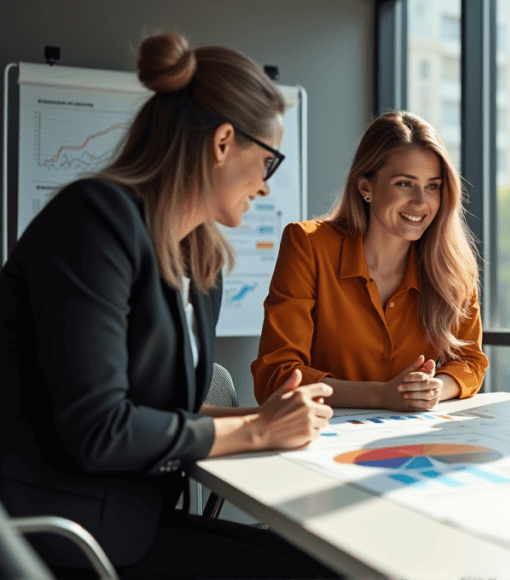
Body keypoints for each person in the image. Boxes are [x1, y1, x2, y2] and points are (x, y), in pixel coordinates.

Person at [0, 32, 336, 578]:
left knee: (321, 563)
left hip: (135, 520)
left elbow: (158, 412)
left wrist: (269, 416)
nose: (266, 189)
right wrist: (256, 431)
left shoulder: (199, 262)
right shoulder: (92, 223)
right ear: (224, 142)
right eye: (268, 162)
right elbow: (100, 430)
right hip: (60, 537)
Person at [252, 111, 487, 410]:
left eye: (433, 186)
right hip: (318, 435)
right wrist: (381, 395)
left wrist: (432, 389)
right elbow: (277, 376)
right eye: (405, 183)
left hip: (406, 441)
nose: (420, 202)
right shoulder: (308, 246)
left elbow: (470, 362)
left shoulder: (452, 266)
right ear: (366, 187)